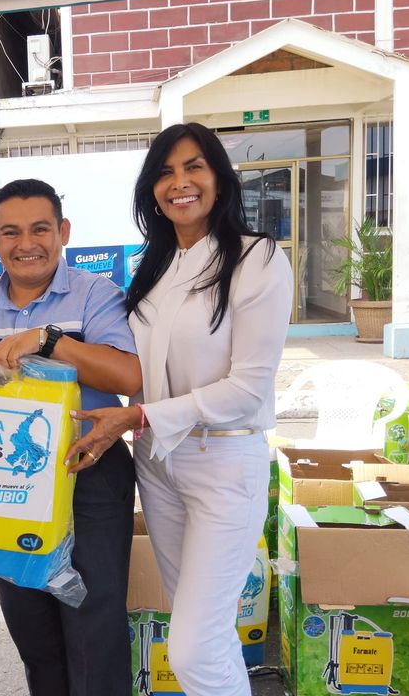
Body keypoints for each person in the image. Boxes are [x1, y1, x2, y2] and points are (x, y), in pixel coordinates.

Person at [67, 122, 292, 696]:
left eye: (194, 167)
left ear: (219, 177)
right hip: (157, 463)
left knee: (193, 647)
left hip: (223, 465)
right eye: (165, 173)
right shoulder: (156, 267)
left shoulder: (257, 258)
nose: (180, 183)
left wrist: (139, 416)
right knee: (205, 636)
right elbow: (134, 368)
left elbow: (249, 389)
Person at [0, 178, 141, 696]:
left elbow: (129, 377)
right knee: (33, 634)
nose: (26, 243)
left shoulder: (95, 294)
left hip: (89, 473)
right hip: (6, 482)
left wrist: (48, 341)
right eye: (11, 232)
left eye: (40, 229)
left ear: (64, 232)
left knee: (94, 630)